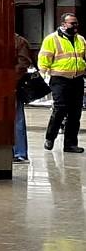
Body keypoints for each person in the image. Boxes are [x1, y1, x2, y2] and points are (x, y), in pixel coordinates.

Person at [40, 13, 86, 153]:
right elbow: (44, 59)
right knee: (60, 108)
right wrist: (45, 77)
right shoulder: (51, 39)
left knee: (75, 112)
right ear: (63, 24)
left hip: (77, 79)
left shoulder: (81, 39)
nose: (75, 26)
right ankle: (50, 137)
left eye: (76, 23)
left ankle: (70, 144)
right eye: (72, 23)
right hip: (59, 79)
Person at [13, 33, 34, 164]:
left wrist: (9, 79)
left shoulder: (19, 42)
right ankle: (16, 151)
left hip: (14, 85)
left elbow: (23, 63)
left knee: (17, 119)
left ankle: (20, 152)